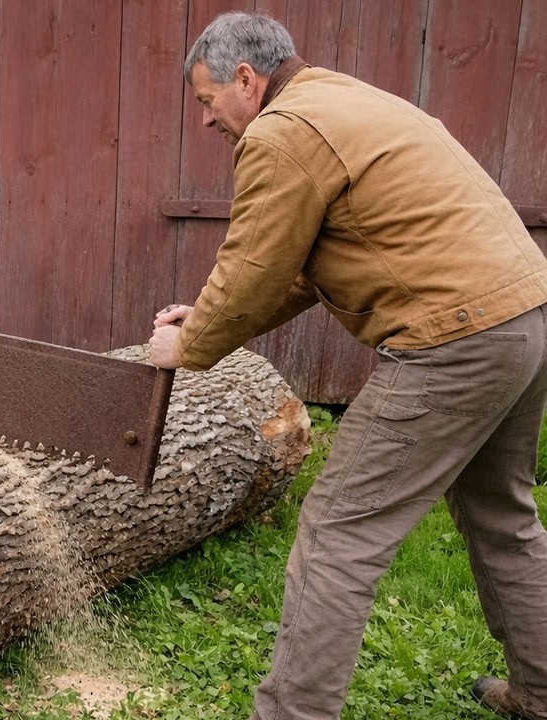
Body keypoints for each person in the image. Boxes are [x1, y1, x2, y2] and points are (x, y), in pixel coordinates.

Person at [149, 11, 547, 720]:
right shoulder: (340, 98)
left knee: (338, 534)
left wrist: (191, 346)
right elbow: (295, 275)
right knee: (501, 517)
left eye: (208, 101)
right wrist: (205, 323)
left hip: (453, 341)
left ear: (247, 79)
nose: (207, 122)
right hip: (521, 319)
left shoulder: (281, 132)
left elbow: (253, 268)